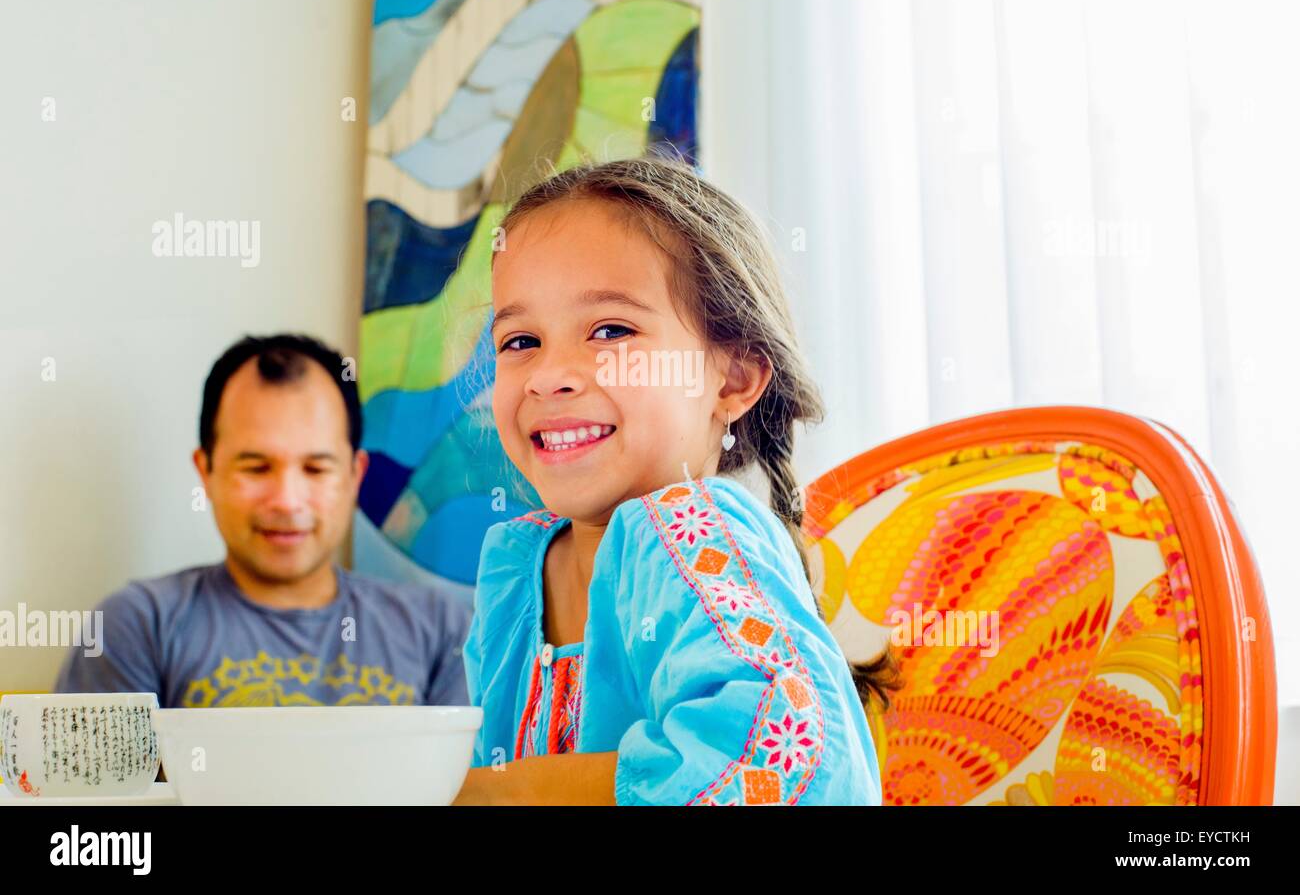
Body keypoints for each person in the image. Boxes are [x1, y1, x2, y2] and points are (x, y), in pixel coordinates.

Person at [455, 154, 900, 805]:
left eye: (610, 330)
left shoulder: (696, 527)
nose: (549, 374)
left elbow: (789, 767)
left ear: (733, 378)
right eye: (520, 341)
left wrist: (498, 793)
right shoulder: (514, 568)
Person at [55, 334, 470, 708]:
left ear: (353, 476)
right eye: (255, 468)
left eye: (315, 469)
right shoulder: (137, 626)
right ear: (207, 472)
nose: (287, 502)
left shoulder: (442, 632)